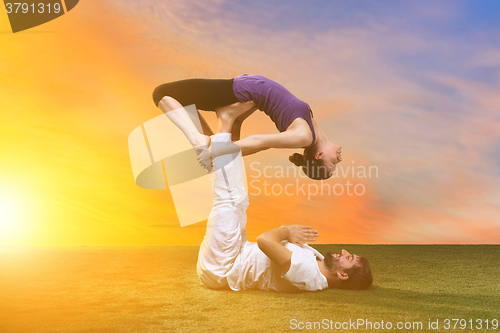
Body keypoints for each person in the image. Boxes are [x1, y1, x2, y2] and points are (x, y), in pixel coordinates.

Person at [197, 129, 373, 292]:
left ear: (343, 275)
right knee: (239, 198)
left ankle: (219, 128)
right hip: (235, 252)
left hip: (224, 266)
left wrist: (288, 231)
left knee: (230, 199)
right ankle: (220, 135)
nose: (344, 251)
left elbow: (264, 240)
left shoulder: (307, 274)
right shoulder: (314, 262)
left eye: (348, 258)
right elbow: (277, 241)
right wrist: (286, 232)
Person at [152, 74, 342, 180]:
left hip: (242, 91)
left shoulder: (304, 136)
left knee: (162, 93)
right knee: (182, 105)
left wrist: (214, 154)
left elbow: (260, 141)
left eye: (332, 164)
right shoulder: (310, 130)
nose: (339, 160)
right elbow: (258, 143)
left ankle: (200, 140)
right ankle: (217, 136)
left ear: (319, 155)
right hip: (246, 95)